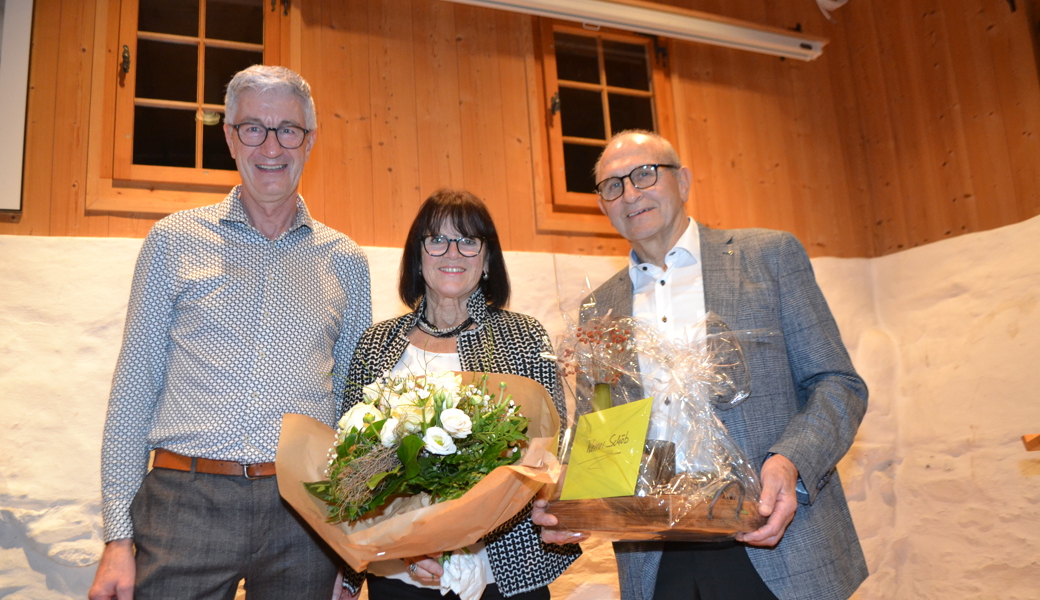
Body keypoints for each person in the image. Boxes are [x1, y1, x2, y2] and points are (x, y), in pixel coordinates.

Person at [533, 130, 868, 600]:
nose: (630, 193)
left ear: (683, 181)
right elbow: (600, 430)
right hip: (655, 554)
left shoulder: (768, 257)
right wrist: (573, 500)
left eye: (645, 174)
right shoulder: (598, 308)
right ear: (603, 206)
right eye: (612, 185)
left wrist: (790, 461)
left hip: (771, 536)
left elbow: (838, 383)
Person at [88, 65, 372, 600]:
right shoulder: (173, 241)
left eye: (288, 129)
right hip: (184, 502)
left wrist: (347, 543)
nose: (272, 146)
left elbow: (352, 409)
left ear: (310, 141)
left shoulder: (346, 261)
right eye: (254, 128)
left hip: (304, 512)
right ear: (229, 137)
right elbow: (133, 392)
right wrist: (118, 539)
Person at [341, 189, 580, 599]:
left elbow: (553, 452)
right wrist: (354, 573)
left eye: (469, 240)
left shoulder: (524, 336)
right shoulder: (377, 343)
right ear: (417, 256)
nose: (452, 252)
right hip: (399, 572)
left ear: (487, 260)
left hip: (503, 574)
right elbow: (347, 464)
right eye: (437, 239)